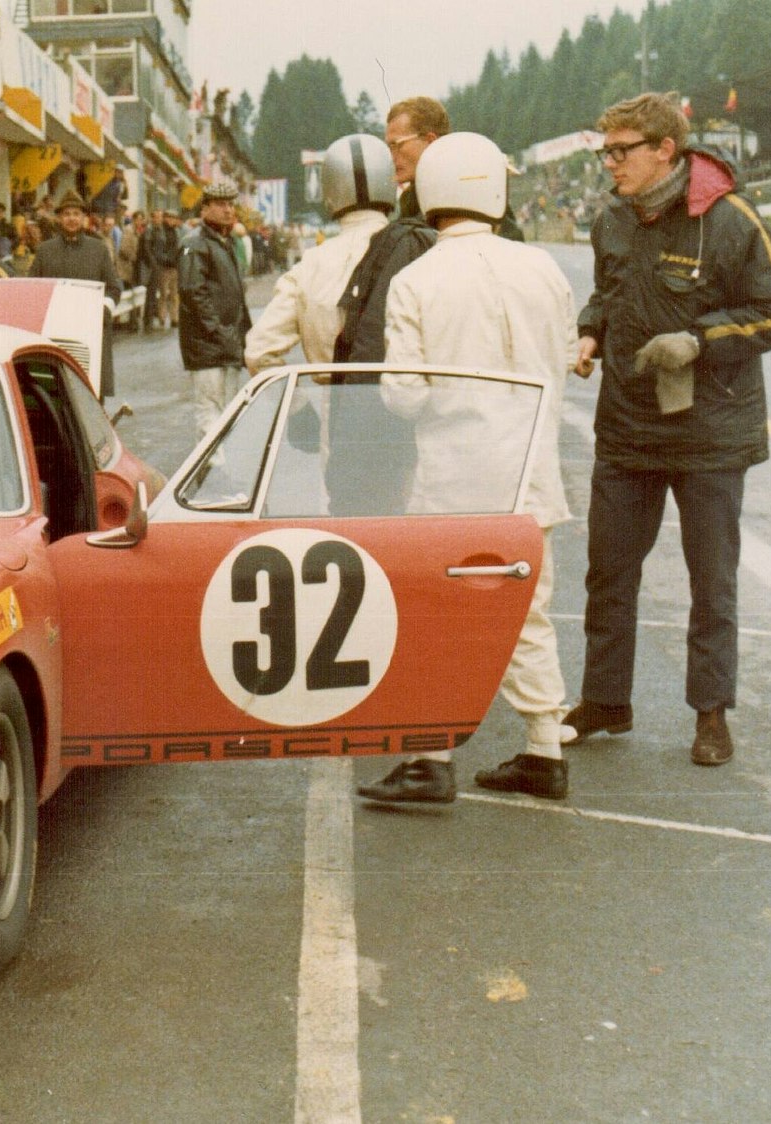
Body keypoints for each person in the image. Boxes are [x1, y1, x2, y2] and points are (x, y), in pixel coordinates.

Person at [565, 91, 771, 767]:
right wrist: (590, 332)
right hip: (626, 427)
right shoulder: (612, 218)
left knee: (711, 580)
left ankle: (711, 713)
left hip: (709, 435)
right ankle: (604, 700)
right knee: (608, 571)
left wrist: (699, 341)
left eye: (621, 151)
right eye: (605, 152)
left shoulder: (728, 219)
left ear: (664, 149)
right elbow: (609, 291)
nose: (610, 164)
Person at [354, 133, 580, 804]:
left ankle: (429, 757)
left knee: (437, 621)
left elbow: (403, 395)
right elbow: (568, 355)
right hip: (532, 477)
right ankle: (544, 748)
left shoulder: (416, 278)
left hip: (453, 483)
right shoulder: (543, 267)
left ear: (430, 193)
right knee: (529, 615)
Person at [246, 134, 395, 373]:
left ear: (330, 190)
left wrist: (300, 400)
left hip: (334, 392)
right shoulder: (416, 246)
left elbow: (258, 352)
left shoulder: (311, 264)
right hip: (408, 394)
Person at [385, 95, 525, 241]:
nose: (391, 156)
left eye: (396, 145)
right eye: (388, 147)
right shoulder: (410, 199)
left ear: (430, 141)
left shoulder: (471, 187)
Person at [178, 181, 253, 430]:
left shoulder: (225, 241)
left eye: (231, 204)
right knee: (210, 413)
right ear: (204, 209)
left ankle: (222, 456)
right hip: (207, 345)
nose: (228, 210)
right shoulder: (195, 243)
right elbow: (192, 293)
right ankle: (212, 457)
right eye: (221, 204)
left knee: (228, 412)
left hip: (226, 342)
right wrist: (218, 330)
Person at [33, 191, 123, 394]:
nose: (71, 219)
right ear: (59, 218)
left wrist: (102, 309)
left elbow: (114, 288)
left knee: (91, 392)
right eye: (66, 214)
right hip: (56, 333)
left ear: (84, 218)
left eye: (76, 214)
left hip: (90, 335)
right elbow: (33, 289)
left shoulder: (98, 249)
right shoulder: (45, 250)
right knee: (54, 392)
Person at [142, 209, 181, 330]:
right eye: (170, 218)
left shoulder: (177, 232)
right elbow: (158, 251)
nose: (172, 220)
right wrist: (167, 259)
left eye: (174, 218)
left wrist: (184, 255)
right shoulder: (159, 231)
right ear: (166, 218)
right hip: (163, 266)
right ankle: (162, 317)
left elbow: (183, 247)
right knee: (163, 293)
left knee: (175, 294)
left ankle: (174, 318)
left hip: (175, 267)